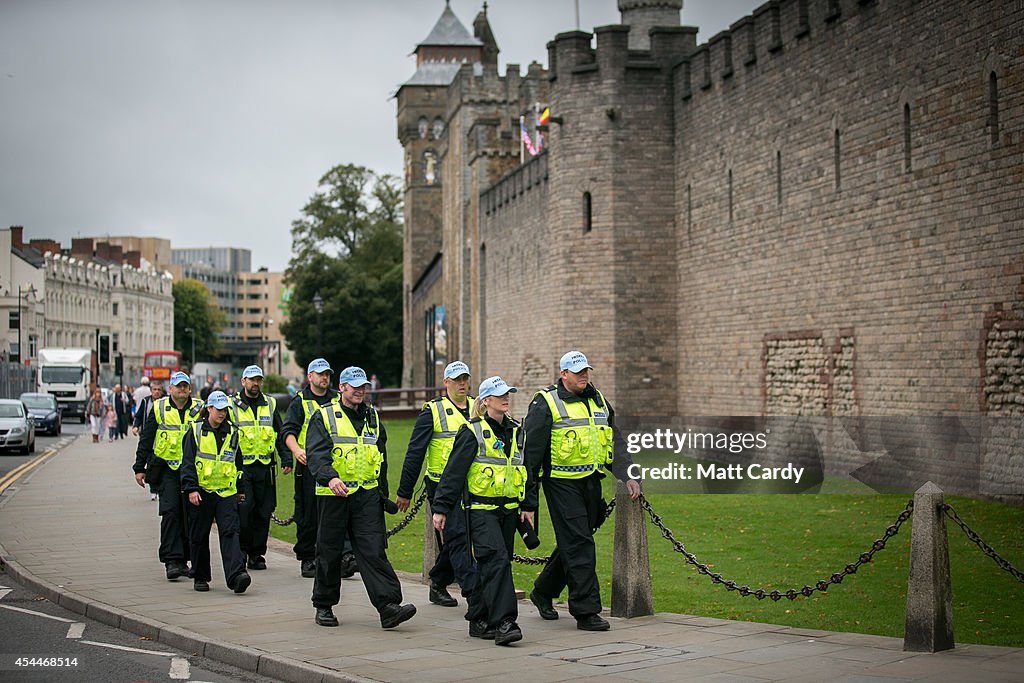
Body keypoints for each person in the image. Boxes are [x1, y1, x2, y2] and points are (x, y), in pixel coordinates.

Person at [523, 351, 641, 631]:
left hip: (590, 482)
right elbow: (531, 457)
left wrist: (629, 475)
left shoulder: (598, 400)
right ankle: (586, 611)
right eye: (578, 372)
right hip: (560, 484)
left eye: (586, 371)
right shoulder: (546, 403)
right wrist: (528, 501)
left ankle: (543, 590)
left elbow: (615, 440)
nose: (584, 376)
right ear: (563, 374)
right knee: (579, 544)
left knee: (575, 541)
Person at [306, 366, 415, 629]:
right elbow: (316, 454)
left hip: (366, 496)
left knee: (374, 550)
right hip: (334, 495)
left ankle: (388, 606)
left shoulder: (373, 418)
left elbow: (381, 459)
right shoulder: (324, 417)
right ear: (341, 388)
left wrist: (383, 494)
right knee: (329, 552)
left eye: (363, 386)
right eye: (354, 386)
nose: (360, 390)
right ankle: (324, 605)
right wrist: (331, 478)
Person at [432, 376, 530, 646]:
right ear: (485, 401)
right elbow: (453, 473)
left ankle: (479, 618)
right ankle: (505, 623)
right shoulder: (472, 431)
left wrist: (528, 507)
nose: (506, 398)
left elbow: (526, 470)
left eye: (508, 394)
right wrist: (440, 508)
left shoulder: (516, 431)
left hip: (508, 511)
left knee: (496, 565)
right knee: (496, 560)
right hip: (481, 511)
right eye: (500, 395)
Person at [396, 360, 476, 607]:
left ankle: (438, 582)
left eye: (465, 379)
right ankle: (474, 593)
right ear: (446, 383)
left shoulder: (477, 407)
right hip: (442, 486)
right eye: (456, 380)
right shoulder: (433, 410)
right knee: (458, 537)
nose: (462, 384)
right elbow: (415, 452)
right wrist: (405, 491)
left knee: (461, 537)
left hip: (474, 484)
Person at [133, 371, 204, 580]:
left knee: (191, 515)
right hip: (167, 469)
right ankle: (173, 561)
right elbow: (147, 438)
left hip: (193, 471)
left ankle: (188, 560)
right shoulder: (159, 408)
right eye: (177, 386)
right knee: (171, 512)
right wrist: (139, 467)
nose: (182, 390)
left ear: (190, 389)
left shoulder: (199, 408)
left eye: (185, 386)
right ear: (170, 389)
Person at [180, 390, 251, 594]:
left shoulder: (233, 432)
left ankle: (236, 575)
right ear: (209, 408)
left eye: (225, 410)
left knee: (231, 532)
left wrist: (240, 490)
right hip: (201, 491)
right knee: (199, 535)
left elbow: (238, 463)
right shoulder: (195, 431)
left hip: (226, 493)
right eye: (219, 409)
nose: (222, 413)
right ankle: (200, 576)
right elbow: (188, 463)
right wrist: (191, 488)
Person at [281, 358, 340, 578]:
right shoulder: (300, 401)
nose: (324, 378)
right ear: (310, 377)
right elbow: (288, 431)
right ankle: (307, 557)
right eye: (320, 374)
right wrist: (297, 451)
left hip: (333, 464)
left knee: (334, 512)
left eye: (327, 374)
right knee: (307, 513)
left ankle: (338, 557)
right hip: (307, 466)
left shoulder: (336, 399)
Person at [230, 365, 292, 571]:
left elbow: (280, 432)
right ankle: (242, 552)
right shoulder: (233, 405)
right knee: (244, 512)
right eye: (252, 380)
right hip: (242, 468)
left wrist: (286, 458)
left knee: (263, 512)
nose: (255, 384)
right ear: (243, 381)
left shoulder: (270, 403)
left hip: (264, 467)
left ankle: (257, 554)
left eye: (259, 380)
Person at [133, 382, 165, 501]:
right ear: (151, 391)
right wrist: (136, 426)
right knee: (151, 464)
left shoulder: (165, 403)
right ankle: (153, 489)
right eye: (154, 389)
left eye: (159, 390)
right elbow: (139, 415)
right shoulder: (146, 402)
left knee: (158, 465)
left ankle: (158, 488)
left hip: (161, 440)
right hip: (148, 436)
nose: (156, 392)